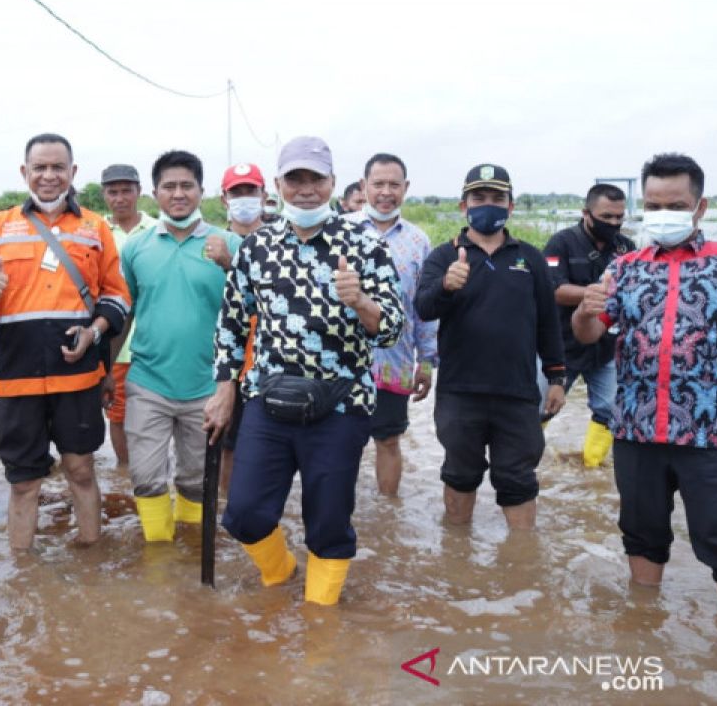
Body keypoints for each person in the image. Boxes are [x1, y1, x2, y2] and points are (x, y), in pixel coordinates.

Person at [573, 153, 717, 616]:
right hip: (636, 430)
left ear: (699, 206)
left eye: (675, 204)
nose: (662, 214)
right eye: (653, 205)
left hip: (711, 434)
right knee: (642, 535)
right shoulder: (625, 267)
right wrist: (584, 309)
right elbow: (587, 333)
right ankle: (645, 628)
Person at [203, 136, 405, 606]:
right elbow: (232, 321)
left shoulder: (363, 244)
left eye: (316, 178)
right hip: (269, 401)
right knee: (244, 514)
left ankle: (320, 627)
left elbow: (392, 329)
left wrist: (360, 301)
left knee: (329, 525)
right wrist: (224, 387)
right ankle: (281, 577)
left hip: (341, 405)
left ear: (333, 182)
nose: (307, 189)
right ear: (278, 186)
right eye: (296, 179)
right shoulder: (257, 248)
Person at [0, 133, 130, 550]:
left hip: (77, 378)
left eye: (58, 167)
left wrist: (94, 332)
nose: (49, 176)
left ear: (73, 173)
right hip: (17, 380)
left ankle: (91, 562)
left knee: (81, 470)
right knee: (24, 483)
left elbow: (117, 296)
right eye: (40, 167)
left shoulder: (95, 228)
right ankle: (23, 575)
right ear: (25, 173)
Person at [414, 164, 566, 530]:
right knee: (459, 473)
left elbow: (549, 321)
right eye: (479, 198)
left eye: (497, 198)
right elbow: (423, 308)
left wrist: (557, 377)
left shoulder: (530, 258)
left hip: (517, 391)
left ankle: (522, 561)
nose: (488, 205)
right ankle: (457, 552)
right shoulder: (443, 256)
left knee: (518, 480)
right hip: (459, 391)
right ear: (463, 205)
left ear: (511, 206)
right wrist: (446, 287)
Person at [116, 151, 240, 541]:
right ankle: (158, 563)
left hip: (208, 386)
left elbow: (252, 313)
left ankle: (188, 553)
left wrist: (229, 265)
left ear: (202, 191)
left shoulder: (231, 244)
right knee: (146, 478)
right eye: (169, 186)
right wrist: (106, 371)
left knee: (195, 479)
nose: (179, 193)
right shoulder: (136, 249)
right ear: (154, 193)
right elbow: (125, 312)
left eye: (187, 185)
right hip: (148, 382)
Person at [347, 153, 438, 497]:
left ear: (406, 188)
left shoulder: (419, 241)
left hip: (394, 361)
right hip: (342, 362)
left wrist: (426, 362)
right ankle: (344, 513)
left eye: (393, 185)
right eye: (378, 184)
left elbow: (424, 310)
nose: (386, 192)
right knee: (342, 442)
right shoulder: (341, 231)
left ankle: (388, 513)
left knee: (388, 440)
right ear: (363, 186)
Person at [541, 183, 634, 467]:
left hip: (606, 347)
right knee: (542, 409)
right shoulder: (561, 243)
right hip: (561, 347)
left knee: (609, 411)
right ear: (586, 213)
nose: (614, 223)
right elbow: (553, 290)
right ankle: (527, 464)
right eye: (607, 217)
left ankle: (591, 469)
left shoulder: (626, 248)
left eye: (619, 217)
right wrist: (595, 293)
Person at [99, 163, 157, 466]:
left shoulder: (159, 230)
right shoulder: (94, 232)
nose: (120, 198)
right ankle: (125, 473)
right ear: (104, 195)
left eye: (126, 191)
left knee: (159, 413)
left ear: (139, 192)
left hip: (152, 342)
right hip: (113, 343)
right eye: (113, 192)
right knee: (118, 413)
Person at [218, 162, 268, 492]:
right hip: (229, 368)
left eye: (251, 191)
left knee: (269, 451)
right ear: (225, 199)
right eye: (237, 192)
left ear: (264, 195)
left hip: (271, 367)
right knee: (227, 448)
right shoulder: (209, 243)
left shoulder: (282, 242)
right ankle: (226, 514)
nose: (244, 198)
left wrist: (228, 263)